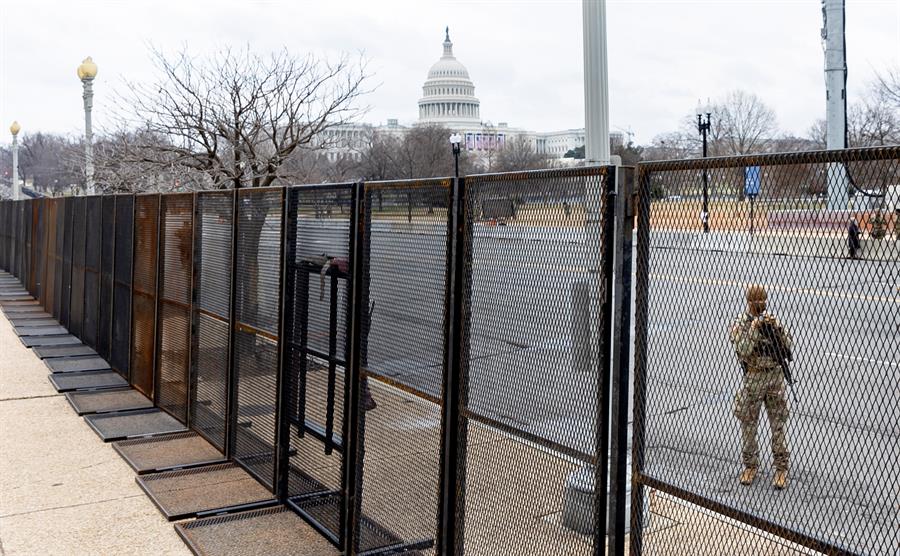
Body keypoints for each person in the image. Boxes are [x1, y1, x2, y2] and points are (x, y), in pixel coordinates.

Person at [729, 285, 794, 490]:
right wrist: (755, 329)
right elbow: (743, 349)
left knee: (778, 424)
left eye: (762, 301)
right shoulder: (741, 324)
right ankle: (750, 465)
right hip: (754, 377)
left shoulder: (772, 321)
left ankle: (781, 468)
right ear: (749, 303)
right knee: (748, 424)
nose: (760, 305)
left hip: (774, 377)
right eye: (756, 302)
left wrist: (778, 329)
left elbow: (788, 348)